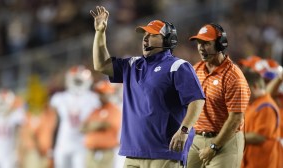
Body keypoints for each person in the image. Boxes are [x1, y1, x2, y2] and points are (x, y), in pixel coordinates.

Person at [90, 6, 205, 168]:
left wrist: (184, 131)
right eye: (145, 34)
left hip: (164, 152)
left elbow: (197, 101)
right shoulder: (132, 64)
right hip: (133, 152)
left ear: (168, 40)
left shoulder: (178, 66)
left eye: (152, 35)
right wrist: (100, 33)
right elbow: (101, 65)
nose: (145, 38)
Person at [187, 23, 251, 168]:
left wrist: (214, 147)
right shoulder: (195, 70)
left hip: (226, 141)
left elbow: (235, 119)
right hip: (197, 138)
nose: (201, 48)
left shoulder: (234, 76)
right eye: (199, 43)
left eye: (206, 43)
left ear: (220, 45)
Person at [49, 65, 100, 168]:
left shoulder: (94, 98)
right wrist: (51, 145)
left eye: (80, 80)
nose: (78, 82)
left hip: (82, 143)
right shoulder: (59, 98)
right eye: (76, 79)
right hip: (63, 142)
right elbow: (52, 124)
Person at [241, 70, 281, 168]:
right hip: (250, 161)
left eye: (243, 89)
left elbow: (259, 137)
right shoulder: (252, 104)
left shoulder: (266, 106)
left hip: (262, 163)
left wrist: (231, 137)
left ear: (254, 87)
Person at [81, 80, 122, 168]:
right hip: (91, 151)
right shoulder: (95, 110)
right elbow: (82, 128)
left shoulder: (114, 109)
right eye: (99, 93)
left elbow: (107, 124)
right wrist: (96, 125)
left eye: (102, 93)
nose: (100, 96)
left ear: (109, 93)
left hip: (106, 152)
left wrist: (93, 125)